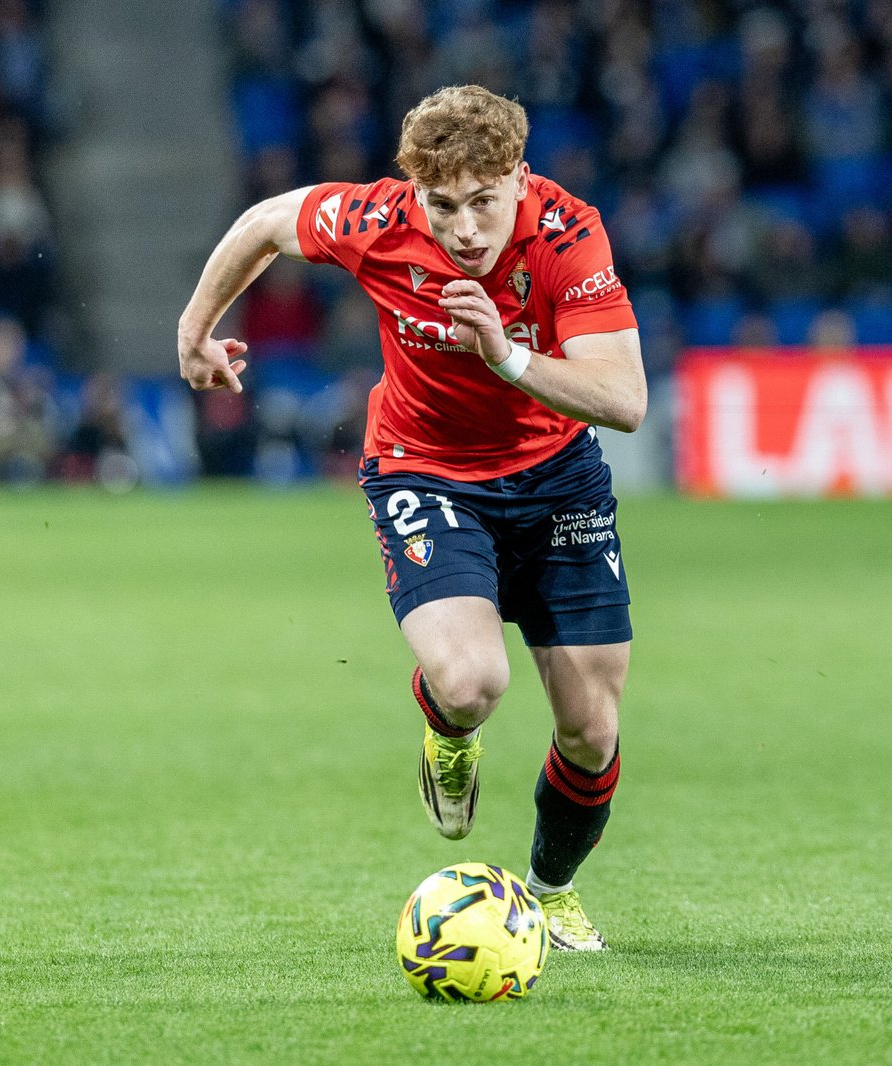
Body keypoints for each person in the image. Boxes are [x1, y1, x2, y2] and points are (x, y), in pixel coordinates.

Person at [177, 85, 645, 951]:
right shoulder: (378, 220)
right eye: (443, 206)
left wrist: (506, 355)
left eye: (484, 202)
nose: (464, 230)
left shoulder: (567, 235)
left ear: (521, 178)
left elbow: (625, 399)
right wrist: (195, 329)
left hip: (558, 480)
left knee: (591, 730)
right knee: (471, 684)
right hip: (425, 471)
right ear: (414, 191)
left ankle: (549, 892)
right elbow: (267, 221)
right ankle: (447, 732)